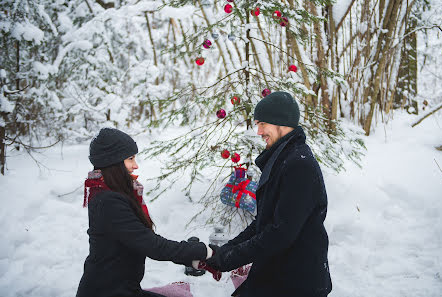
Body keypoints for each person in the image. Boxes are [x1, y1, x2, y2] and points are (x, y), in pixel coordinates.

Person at [206, 92, 332, 296]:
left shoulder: (299, 164)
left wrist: (228, 258)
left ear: (280, 121)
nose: (259, 131)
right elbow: (263, 222)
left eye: (262, 124)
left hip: (296, 281)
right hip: (277, 273)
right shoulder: (283, 159)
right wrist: (225, 252)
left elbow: (280, 233)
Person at [76, 128, 212, 297]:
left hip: (124, 290)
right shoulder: (108, 201)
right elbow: (152, 245)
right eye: (130, 159)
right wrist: (201, 251)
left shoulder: (112, 192)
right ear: (114, 162)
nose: (136, 165)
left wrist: (191, 258)